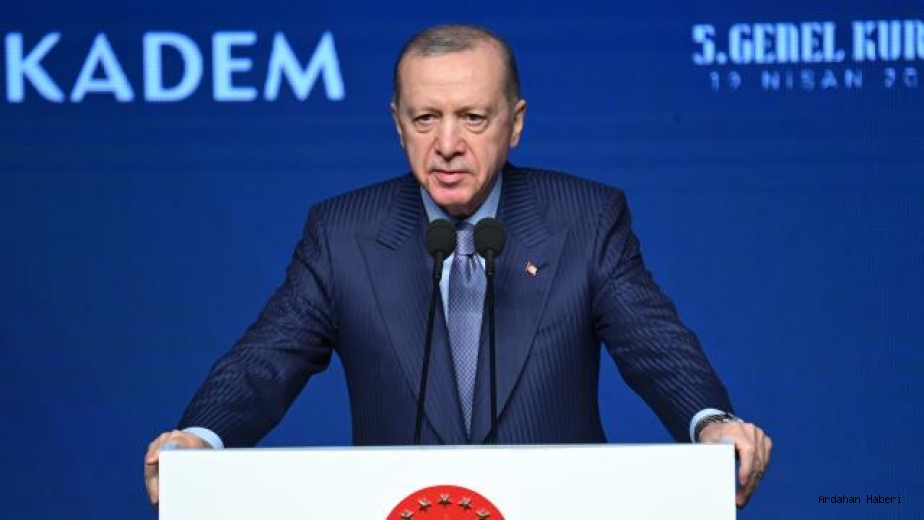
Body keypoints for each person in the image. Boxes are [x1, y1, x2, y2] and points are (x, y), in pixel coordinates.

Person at [145, 23, 771, 508]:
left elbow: (652, 342)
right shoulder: (342, 233)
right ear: (398, 124)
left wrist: (711, 423)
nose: (447, 145)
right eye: (426, 119)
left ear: (514, 124)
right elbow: (268, 359)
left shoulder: (585, 218)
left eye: (473, 118)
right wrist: (200, 437)